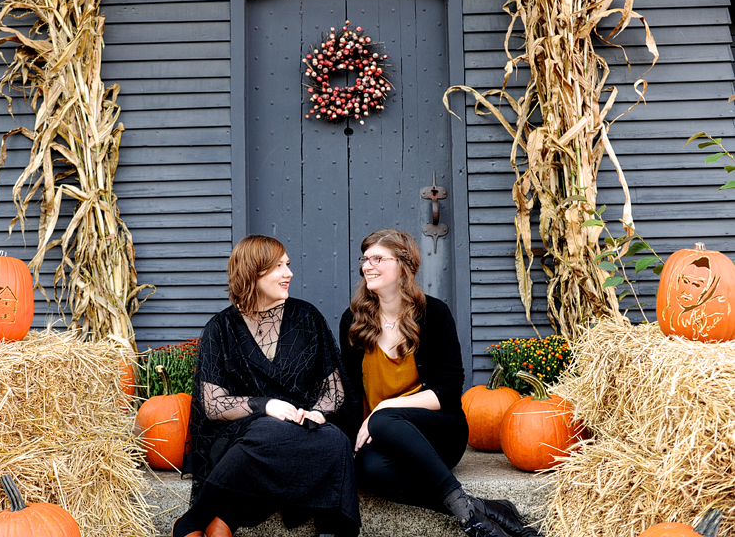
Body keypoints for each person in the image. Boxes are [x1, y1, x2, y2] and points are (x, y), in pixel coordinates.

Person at [338, 229, 540, 537]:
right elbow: (351, 392)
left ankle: (471, 521)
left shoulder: (434, 314)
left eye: (378, 258)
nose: (368, 265)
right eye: (365, 259)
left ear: (403, 265)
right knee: (367, 470)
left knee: (383, 419)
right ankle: (478, 508)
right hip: (383, 438)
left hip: (438, 431)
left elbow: (447, 391)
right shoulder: (353, 322)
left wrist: (384, 408)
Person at [175, 234, 360, 537]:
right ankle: (195, 519)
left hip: (301, 426)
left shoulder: (307, 318)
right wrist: (266, 406)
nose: (288, 273)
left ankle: (331, 531)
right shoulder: (220, 328)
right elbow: (213, 404)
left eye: (287, 265)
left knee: (336, 440)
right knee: (268, 430)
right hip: (243, 435)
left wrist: (317, 412)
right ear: (252, 272)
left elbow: (335, 389)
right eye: (277, 267)